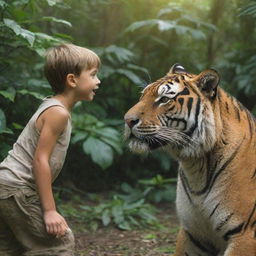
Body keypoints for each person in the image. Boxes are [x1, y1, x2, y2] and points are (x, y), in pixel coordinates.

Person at [0, 43, 101, 255]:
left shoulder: (52, 106)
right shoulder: (58, 113)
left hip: (6, 186)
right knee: (59, 244)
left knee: (12, 248)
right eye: (93, 75)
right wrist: (50, 211)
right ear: (72, 80)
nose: (97, 81)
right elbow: (40, 161)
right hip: (18, 189)